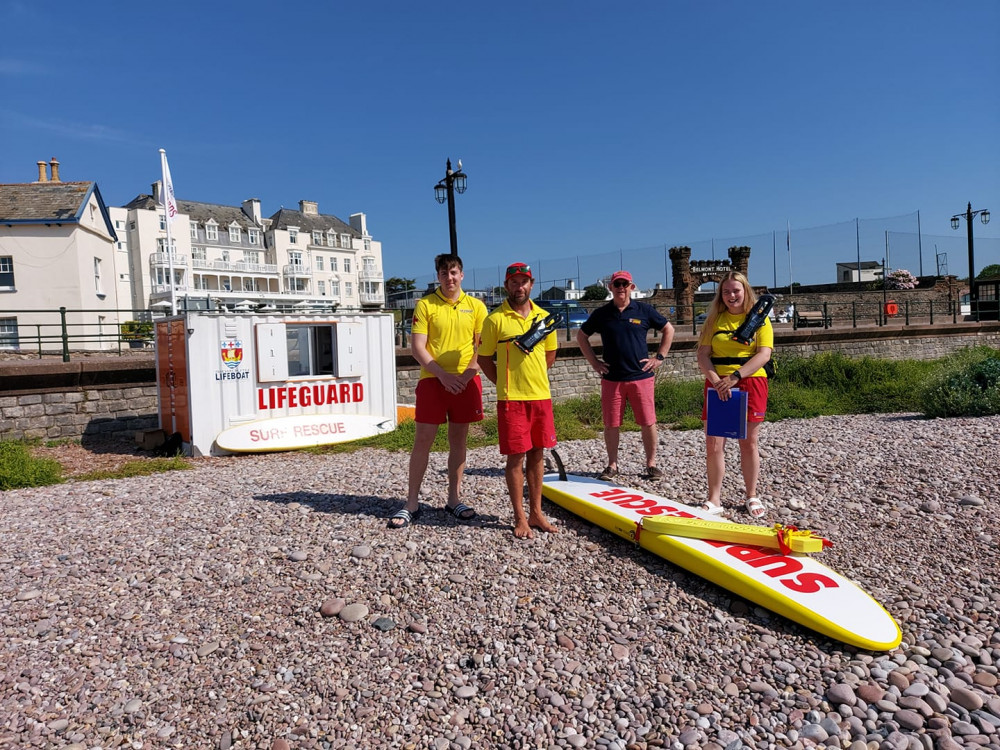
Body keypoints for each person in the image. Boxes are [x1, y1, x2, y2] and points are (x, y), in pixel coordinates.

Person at [388, 253, 487, 529]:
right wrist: (443, 376)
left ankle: (454, 499)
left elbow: (482, 349)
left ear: (462, 274)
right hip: (433, 381)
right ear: (438, 276)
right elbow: (418, 347)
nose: (450, 278)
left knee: (459, 442)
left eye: (454, 272)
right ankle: (411, 503)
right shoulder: (425, 305)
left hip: (466, 382)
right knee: (423, 441)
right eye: (444, 273)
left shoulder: (477, 306)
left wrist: (466, 376)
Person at [478, 262, 559, 539]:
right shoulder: (494, 320)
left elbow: (550, 355)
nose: (519, 287)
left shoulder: (545, 316)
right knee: (515, 457)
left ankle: (536, 512)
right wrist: (503, 382)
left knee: (538, 454)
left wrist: (535, 377)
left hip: (541, 397)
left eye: (524, 282)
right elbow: (484, 359)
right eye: (514, 282)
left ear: (531, 284)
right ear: (506, 286)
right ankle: (520, 518)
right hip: (511, 399)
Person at [576, 270, 675, 481]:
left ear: (632, 286)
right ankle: (612, 465)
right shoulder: (602, 313)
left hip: (641, 377)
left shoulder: (644, 310)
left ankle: (651, 464)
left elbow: (669, 329)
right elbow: (581, 336)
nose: (621, 288)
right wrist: (594, 363)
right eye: (617, 284)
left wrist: (659, 357)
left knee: (648, 422)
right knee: (611, 423)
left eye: (625, 284)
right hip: (612, 379)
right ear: (610, 288)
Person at [695, 271, 773, 518]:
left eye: (736, 290)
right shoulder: (714, 320)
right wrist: (718, 381)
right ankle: (714, 498)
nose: (731, 296)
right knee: (714, 443)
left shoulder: (760, 320)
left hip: (750, 381)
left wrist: (735, 378)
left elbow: (763, 354)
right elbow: (703, 354)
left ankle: (751, 495)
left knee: (749, 442)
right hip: (718, 384)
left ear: (745, 291)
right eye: (726, 291)